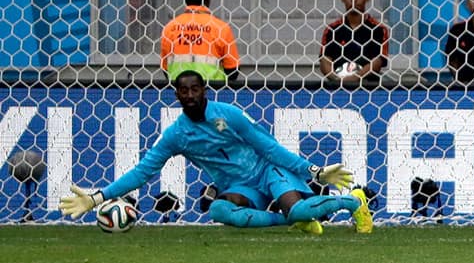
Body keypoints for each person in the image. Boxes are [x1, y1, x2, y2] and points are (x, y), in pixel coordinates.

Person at [58, 71, 374, 235]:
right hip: (240, 188)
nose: (191, 95)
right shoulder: (177, 135)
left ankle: (354, 201)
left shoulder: (229, 114)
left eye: (196, 89)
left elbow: (269, 146)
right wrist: (96, 198)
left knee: (301, 211)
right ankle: (286, 221)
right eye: (184, 91)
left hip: (268, 170)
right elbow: (144, 171)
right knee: (219, 212)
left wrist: (314, 172)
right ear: (177, 95)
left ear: (204, 91)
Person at [160, 0, 240, 84]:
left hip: (180, 93)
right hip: (212, 92)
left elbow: (165, 68)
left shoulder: (170, 28)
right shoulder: (221, 28)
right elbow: (233, 70)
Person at [319, 0, 390, 83]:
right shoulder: (332, 30)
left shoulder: (379, 30)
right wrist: (337, 79)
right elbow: (325, 60)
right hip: (337, 89)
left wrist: (354, 78)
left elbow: (377, 62)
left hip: (368, 88)